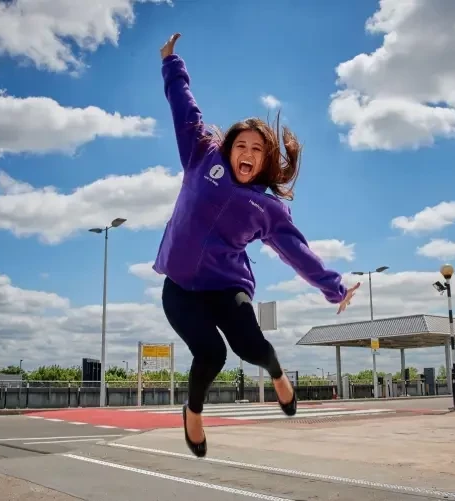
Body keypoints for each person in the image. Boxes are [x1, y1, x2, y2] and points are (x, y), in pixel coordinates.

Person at [153, 33, 360, 458]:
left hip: (226, 286)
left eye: (257, 149)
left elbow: (298, 253)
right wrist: (172, 63)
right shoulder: (200, 156)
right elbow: (184, 109)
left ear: (265, 161)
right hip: (180, 289)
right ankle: (193, 413)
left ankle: (278, 374)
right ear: (229, 149)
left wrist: (335, 288)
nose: (247, 153)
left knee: (250, 346)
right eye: (241, 145)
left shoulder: (268, 209)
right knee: (211, 354)